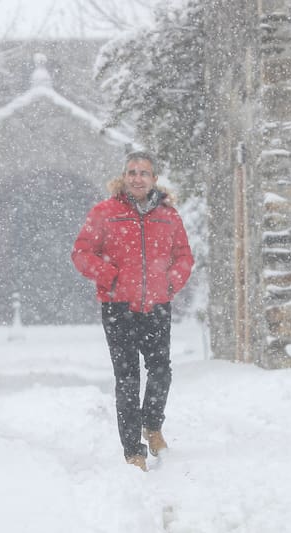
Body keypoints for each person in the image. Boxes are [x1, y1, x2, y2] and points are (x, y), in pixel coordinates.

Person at [71, 151, 194, 471]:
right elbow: (82, 253)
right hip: (118, 307)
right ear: (124, 177)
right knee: (127, 379)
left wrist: (169, 283)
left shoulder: (168, 215)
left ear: (154, 179)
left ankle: (152, 425)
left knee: (161, 371)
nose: (137, 178)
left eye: (144, 173)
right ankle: (133, 451)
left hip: (156, 305)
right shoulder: (105, 212)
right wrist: (110, 278)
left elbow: (184, 257)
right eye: (132, 172)